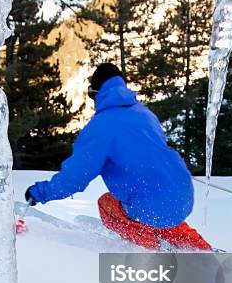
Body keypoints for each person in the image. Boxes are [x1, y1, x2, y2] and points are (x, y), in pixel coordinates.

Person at [24, 63, 211, 250]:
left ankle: (151, 249)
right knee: (162, 209)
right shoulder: (145, 114)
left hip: (150, 206)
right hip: (183, 197)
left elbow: (74, 179)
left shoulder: (101, 127)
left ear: (96, 93)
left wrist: (39, 193)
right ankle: (199, 248)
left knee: (106, 204)